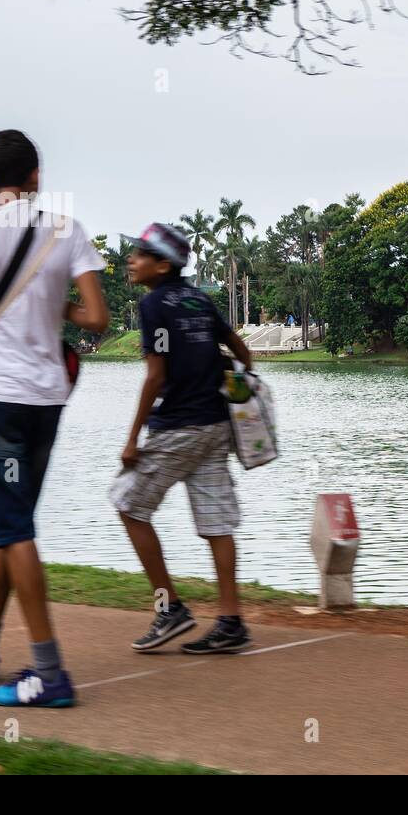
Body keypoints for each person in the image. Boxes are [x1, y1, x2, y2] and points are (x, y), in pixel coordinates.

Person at [0, 129, 109, 707]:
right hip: (47, 400)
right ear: (37, 176)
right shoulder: (68, 230)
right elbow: (99, 318)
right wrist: (53, 301)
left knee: (13, 530)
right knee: (15, 527)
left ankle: (49, 674)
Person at [109, 223, 256, 654]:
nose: (131, 261)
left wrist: (133, 438)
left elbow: (155, 375)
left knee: (128, 505)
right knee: (218, 524)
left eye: (139, 255)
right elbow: (242, 353)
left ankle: (169, 607)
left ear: (162, 265)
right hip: (216, 427)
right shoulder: (200, 299)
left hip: (178, 428)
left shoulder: (153, 305)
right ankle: (230, 621)